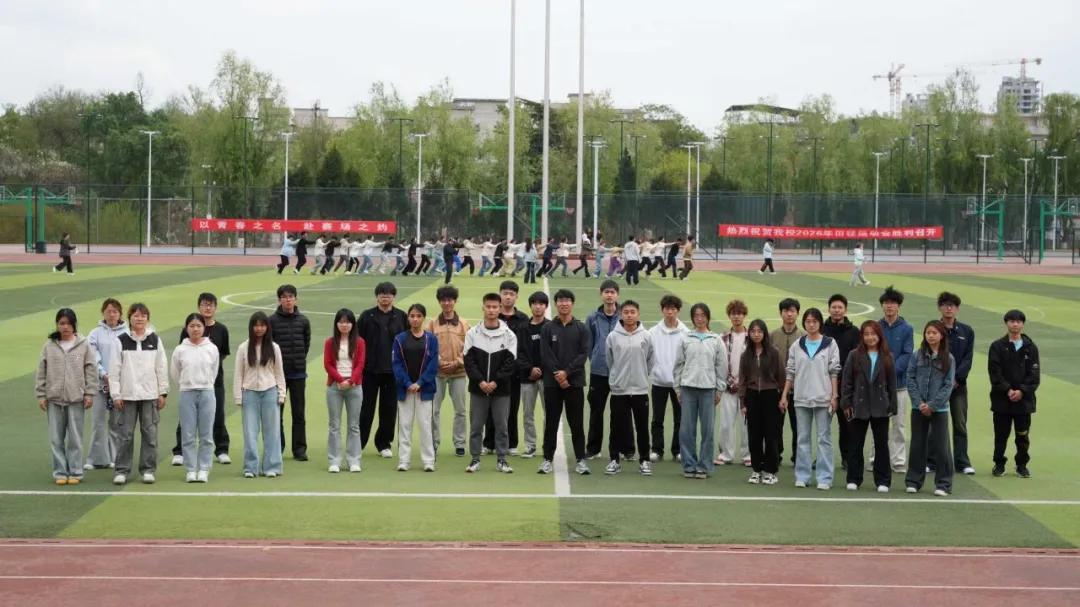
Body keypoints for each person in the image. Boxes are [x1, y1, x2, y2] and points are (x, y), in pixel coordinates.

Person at [108, 302, 169, 486]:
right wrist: (116, 394)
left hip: (150, 395)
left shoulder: (155, 340)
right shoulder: (120, 340)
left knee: (150, 434)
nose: (139, 318)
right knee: (125, 435)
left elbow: (161, 367)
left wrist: (163, 392)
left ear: (147, 318)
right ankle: (122, 470)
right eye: (136, 315)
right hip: (127, 395)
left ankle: (148, 470)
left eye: (143, 315)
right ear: (129, 318)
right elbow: (114, 370)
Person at [780, 308, 841, 490]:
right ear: (804, 323)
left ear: (820, 323)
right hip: (801, 398)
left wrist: (834, 396)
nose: (811, 324)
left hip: (823, 398)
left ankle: (825, 478)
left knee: (824, 439)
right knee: (802, 438)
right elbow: (790, 372)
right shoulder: (797, 345)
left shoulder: (830, 344)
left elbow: (834, 371)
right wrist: (784, 395)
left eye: (814, 321)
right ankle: (802, 475)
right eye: (808, 321)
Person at [36, 308, 97, 485]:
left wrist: (89, 393)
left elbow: (91, 369)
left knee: (75, 438)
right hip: (54, 399)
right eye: (62, 323)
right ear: (57, 325)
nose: (65, 327)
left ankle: (76, 471)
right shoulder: (49, 346)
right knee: (56, 439)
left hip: (76, 398)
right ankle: (60, 472)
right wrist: (41, 394)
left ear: (74, 325)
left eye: (69, 323)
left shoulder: (83, 345)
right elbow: (41, 371)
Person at [171, 293, 231, 468]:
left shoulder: (222, 329)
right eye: (204, 304)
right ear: (199, 306)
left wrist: (207, 373)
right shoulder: (188, 329)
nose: (208, 308)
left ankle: (221, 449)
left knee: (217, 415)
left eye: (211, 305)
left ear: (215, 307)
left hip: (213, 382)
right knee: (186, 419)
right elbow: (181, 357)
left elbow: (222, 355)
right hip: (189, 384)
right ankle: (179, 451)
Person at [463, 294, 518, 474]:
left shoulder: (509, 335)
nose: (491, 310)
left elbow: (510, 363)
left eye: (495, 307)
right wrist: (480, 381)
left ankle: (502, 460)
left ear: (500, 308)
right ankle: (475, 459)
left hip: (501, 390)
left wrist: (495, 382)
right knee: (476, 426)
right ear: (483, 308)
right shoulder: (472, 333)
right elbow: (468, 361)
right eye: (488, 306)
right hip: (478, 389)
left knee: (502, 426)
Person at [841, 320, 898, 493]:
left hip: (880, 406)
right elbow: (847, 381)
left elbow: (892, 384)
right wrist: (846, 403)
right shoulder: (854, 355)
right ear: (862, 337)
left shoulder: (887, 357)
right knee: (856, 443)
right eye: (866, 334)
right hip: (859, 405)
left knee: (881, 444)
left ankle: (883, 480)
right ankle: (854, 478)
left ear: (879, 336)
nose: (870, 337)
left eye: (873, 334)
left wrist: (892, 405)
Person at [539, 289, 591, 475]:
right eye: (560, 300)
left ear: (572, 303)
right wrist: (558, 374)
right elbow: (545, 354)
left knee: (576, 423)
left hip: (574, 383)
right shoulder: (547, 328)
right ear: (556, 304)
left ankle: (581, 459)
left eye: (567, 300)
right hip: (552, 383)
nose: (564, 303)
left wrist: (567, 373)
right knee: (551, 422)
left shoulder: (581, 328)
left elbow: (583, 354)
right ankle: (547, 459)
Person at [674, 303, 728, 479]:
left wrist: (719, 390)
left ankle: (704, 466)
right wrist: (678, 388)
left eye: (703, 315)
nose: (699, 318)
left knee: (708, 430)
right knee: (686, 430)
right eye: (696, 315)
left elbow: (721, 366)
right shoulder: (685, 338)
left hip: (708, 390)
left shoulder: (716, 339)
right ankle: (689, 465)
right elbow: (678, 365)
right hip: (688, 388)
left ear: (708, 317)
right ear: (692, 318)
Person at [904, 320, 956, 496]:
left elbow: (948, 385)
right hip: (918, 407)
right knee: (917, 445)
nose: (931, 336)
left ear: (941, 335)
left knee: (942, 447)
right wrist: (919, 402)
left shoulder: (948, 358)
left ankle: (943, 484)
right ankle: (913, 481)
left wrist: (932, 405)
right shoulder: (917, 355)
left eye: (934, 333)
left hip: (939, 409)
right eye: (928, 332)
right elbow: (910, 378)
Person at [604, 300, 655, 476]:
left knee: (642, 427)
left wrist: (642, 376)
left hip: (640, 390)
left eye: (633, 312)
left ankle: (644, 461)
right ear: (621, 314)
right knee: (616, 426)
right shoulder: (613, 336)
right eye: (626, 312)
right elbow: (610, 361)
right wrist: (616, 378)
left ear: (638, 314)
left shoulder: (646, 336)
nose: (629, 315)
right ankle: (614, 460)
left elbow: (650, 360)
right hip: (619, 390)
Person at [358, 282, 409, 457]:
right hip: (369, 371)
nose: (385, 297)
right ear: (377, 296)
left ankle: (384, 444)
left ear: (394, 297)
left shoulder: (401, 317)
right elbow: (357, 342)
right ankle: (359, 443)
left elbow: (407, 342)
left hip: (393, 372)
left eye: (388, 294)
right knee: (365, 409)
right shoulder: (367, 316)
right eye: (382, 294)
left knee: (389, 410)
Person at [988, 309, 1040, 479]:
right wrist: (1008, 390)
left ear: (1022, 324)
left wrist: (1022, 391)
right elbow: (994, 373)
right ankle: (999, 463)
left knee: (1022, 435)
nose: (1015, 324)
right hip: (1002, 399)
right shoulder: (997, 346)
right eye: (1012, 321)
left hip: (1024, 401)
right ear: (1006, 323)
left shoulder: (1031, 347)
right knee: (1001, 435)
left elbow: (1034, 375)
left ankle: (1022, 465)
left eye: (1018, 321)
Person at [234, 312, 286, 479]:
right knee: (250, 432)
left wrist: (281, 393)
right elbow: (238, 373)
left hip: (270, 391)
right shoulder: (243, 348)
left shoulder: (274, 348)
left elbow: (279, 372)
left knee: (272, 431)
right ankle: (251, 467)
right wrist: (238, 396)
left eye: (262, 325)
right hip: (249, 393)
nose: (259, 328)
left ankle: (272, 466)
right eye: (256, 325)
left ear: (267, 327)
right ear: (251, 327)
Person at [170, 313, 221, 483]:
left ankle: (204, 468)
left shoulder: (211, 348)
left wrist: (205, 383)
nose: (195, 329)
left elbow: (214, 371)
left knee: (206, 435)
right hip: (187, 393)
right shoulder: (180, 349)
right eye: (192, 326)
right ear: (186, 328)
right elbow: (175, 373)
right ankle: (191, 469)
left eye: (198, 326)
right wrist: (186, 384)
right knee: (188, 434)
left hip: (207, 392)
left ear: (204, 328)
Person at [392, 304, 440, 472]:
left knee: (425, 425)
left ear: (424, 318)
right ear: (408, 318)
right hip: (404, 390)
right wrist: (407, 383)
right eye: (412, 316)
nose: (415, 319)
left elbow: (433, 364)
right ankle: (404, 460)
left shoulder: (431, 339)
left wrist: (420, 382)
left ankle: (428, 461)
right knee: (404, 425)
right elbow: (396, 364)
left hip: (424, 390)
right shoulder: (399, 339)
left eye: (419, 316)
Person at [484, 281, 529, 455]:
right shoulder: (493, 316)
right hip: (493, 371)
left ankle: (511, 444)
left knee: (512, 408)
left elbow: (523, 346)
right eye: (505, 293)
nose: (508, 297)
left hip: (514, 373)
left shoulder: (523, 319)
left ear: (516, 296)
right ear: (500, 295)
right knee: (490, 408)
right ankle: (489, 443)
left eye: (511, 294)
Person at [268, 284, 311, 461]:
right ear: (279, 300)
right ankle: (278, 447)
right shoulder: (271, 321)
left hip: (298, 373)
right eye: (284, 297)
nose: (288, 300)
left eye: (290, 296)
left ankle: (299, 449)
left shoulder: (303, 321)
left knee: (299, 413)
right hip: (278, 376)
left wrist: (298, 361)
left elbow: (306, 344)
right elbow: (269, 348)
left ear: (296, 299)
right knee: (277, 413)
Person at [739, 319, 784, 485]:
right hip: (752, 396)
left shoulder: (774, 353)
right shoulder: (746, 355)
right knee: (754, 435)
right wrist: (743, 403)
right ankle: (757, 469)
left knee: (771, 435)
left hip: (770, 395)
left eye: (759, 331)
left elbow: (781, 376)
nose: (756, 334)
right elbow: (742, 380)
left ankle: (770, 471)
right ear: (749, 334)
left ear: (764, 333)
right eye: (753, 331)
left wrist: (782, 397)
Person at [429, 286, 470, 457]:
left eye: (450, 300)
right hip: (437, 373)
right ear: (439, 302)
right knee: (433, 410)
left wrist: (457, 362)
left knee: (460, 410)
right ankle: (433, 443)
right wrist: (439, 361)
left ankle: (459, 443)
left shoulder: (464, 324)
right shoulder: (432, 323)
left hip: (459, 373)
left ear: (455, 301)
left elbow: (469, 348)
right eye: (443, 300)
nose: (447, 303)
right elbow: (428, 346)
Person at [938, 291, 975, 475]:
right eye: (945, 305)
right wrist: (943, 380)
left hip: (959, 386)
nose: (949, 308)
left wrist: (956, 379)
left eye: (952, 305)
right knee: (936, 425)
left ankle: (962, 462)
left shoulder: (966, 331)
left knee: (960, 424)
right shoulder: (934, 328)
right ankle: (933, 461)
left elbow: (968, 358)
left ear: (957, 309)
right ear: (940, 307)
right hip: (937, 386)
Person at [877, 286, 914, 473]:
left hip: (899, 385)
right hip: (878, 384)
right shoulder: (876, 327)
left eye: (892, 303)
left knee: (898, 425)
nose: (889, 306)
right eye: (886, 303)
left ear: (899, 306)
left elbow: (907, 354)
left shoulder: (907, 328)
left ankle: (898, 461)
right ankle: (876, 458)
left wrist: (891, 371)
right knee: (877, 424)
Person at [323, 309, 365, 473]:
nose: (344, 325)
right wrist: (341, 380)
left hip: (354, 386)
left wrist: (351, 381)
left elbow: (360, 364)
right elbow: (328, 364)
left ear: (352, 324)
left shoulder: (360, 342)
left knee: (354, 425)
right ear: (336, 324)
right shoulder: (330, 342)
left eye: (347, 322)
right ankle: (334, 460)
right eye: (341, 322)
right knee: (334, 425)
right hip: (335, 387)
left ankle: (354, 460)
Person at [86, 298, 125, 470]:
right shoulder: (95, 333)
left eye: (115, 311)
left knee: (116, 423)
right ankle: (97, 459)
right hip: (99, 384)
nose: (111, 314)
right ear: (103, 313)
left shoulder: (127, 333)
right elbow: (92, 356)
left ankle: (115, 457)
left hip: (120, 385)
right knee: (98, 422)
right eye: (108, 311)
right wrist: (104, 374)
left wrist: (115, 377)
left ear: (120, 314)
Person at [822, 294, 860, 471]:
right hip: (824, 384)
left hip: (846, 386)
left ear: (845, 310)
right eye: (834, 307)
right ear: (829, 309)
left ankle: (847, 458)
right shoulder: (822, 330)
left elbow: (857, 358)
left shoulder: (854, 332)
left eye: (840, 307)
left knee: (847, 425)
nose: (836, 310)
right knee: (823, 424)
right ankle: (822, 458)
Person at [585, 280, 621, 459]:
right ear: (601, 294)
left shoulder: (624, 316)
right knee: (596, 411)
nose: (609, 295)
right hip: (598, 372)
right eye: (606, 292)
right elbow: (588, 344)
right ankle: (593, 448)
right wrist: (596, 358)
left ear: (617, 295)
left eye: (612, 292)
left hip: (621, 372)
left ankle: (624, 449)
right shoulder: (592, 318)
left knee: (621, 412)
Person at [649, 294, 688, 463]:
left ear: (678, 310)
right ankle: (656, 450)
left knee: (680, 418)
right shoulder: (652, 332)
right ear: (662, 310)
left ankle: (678, 450)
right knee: (657, 418)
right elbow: (648, 355)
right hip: (658, 382)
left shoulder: (686, 333)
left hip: (679, 384)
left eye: (673, 309)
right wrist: (654, 372)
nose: (670, 312)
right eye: (667, 309)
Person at [770, 298, 804, 466]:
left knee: (799, 426)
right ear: (781, 313)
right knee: (776, 425)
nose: (789, 314)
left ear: (797, 313)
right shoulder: (772, 335)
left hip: (798, 390)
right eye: (786, 311)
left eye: (792, 311)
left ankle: (798, 457)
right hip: (777, 389)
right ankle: (776, 455)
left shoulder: (804, 336)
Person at [718, 299, 751, 467]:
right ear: (729, 316)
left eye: (739, 314)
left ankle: (748, 455)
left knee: (747, 424)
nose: (736, 317)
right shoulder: (722, 338)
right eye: (733, 314)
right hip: (728, 386)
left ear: (744, 315)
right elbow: (719, 362)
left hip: (747, 387)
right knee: (726, 423)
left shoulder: (752, 337)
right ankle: (726, 454)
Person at [517, 291, 549, 459]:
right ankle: (530, 445)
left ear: (546, 306)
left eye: (541, 304)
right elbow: (518, 352)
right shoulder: (523, 328)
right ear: (530, 306)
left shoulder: (550, 327)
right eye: (535, 303)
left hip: (547, 378)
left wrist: (541, 369)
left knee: (549, 413)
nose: (538, 307)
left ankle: (548, 445)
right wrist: (530, 369)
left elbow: (553, 353)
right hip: (527, 377)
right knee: (528, 413)